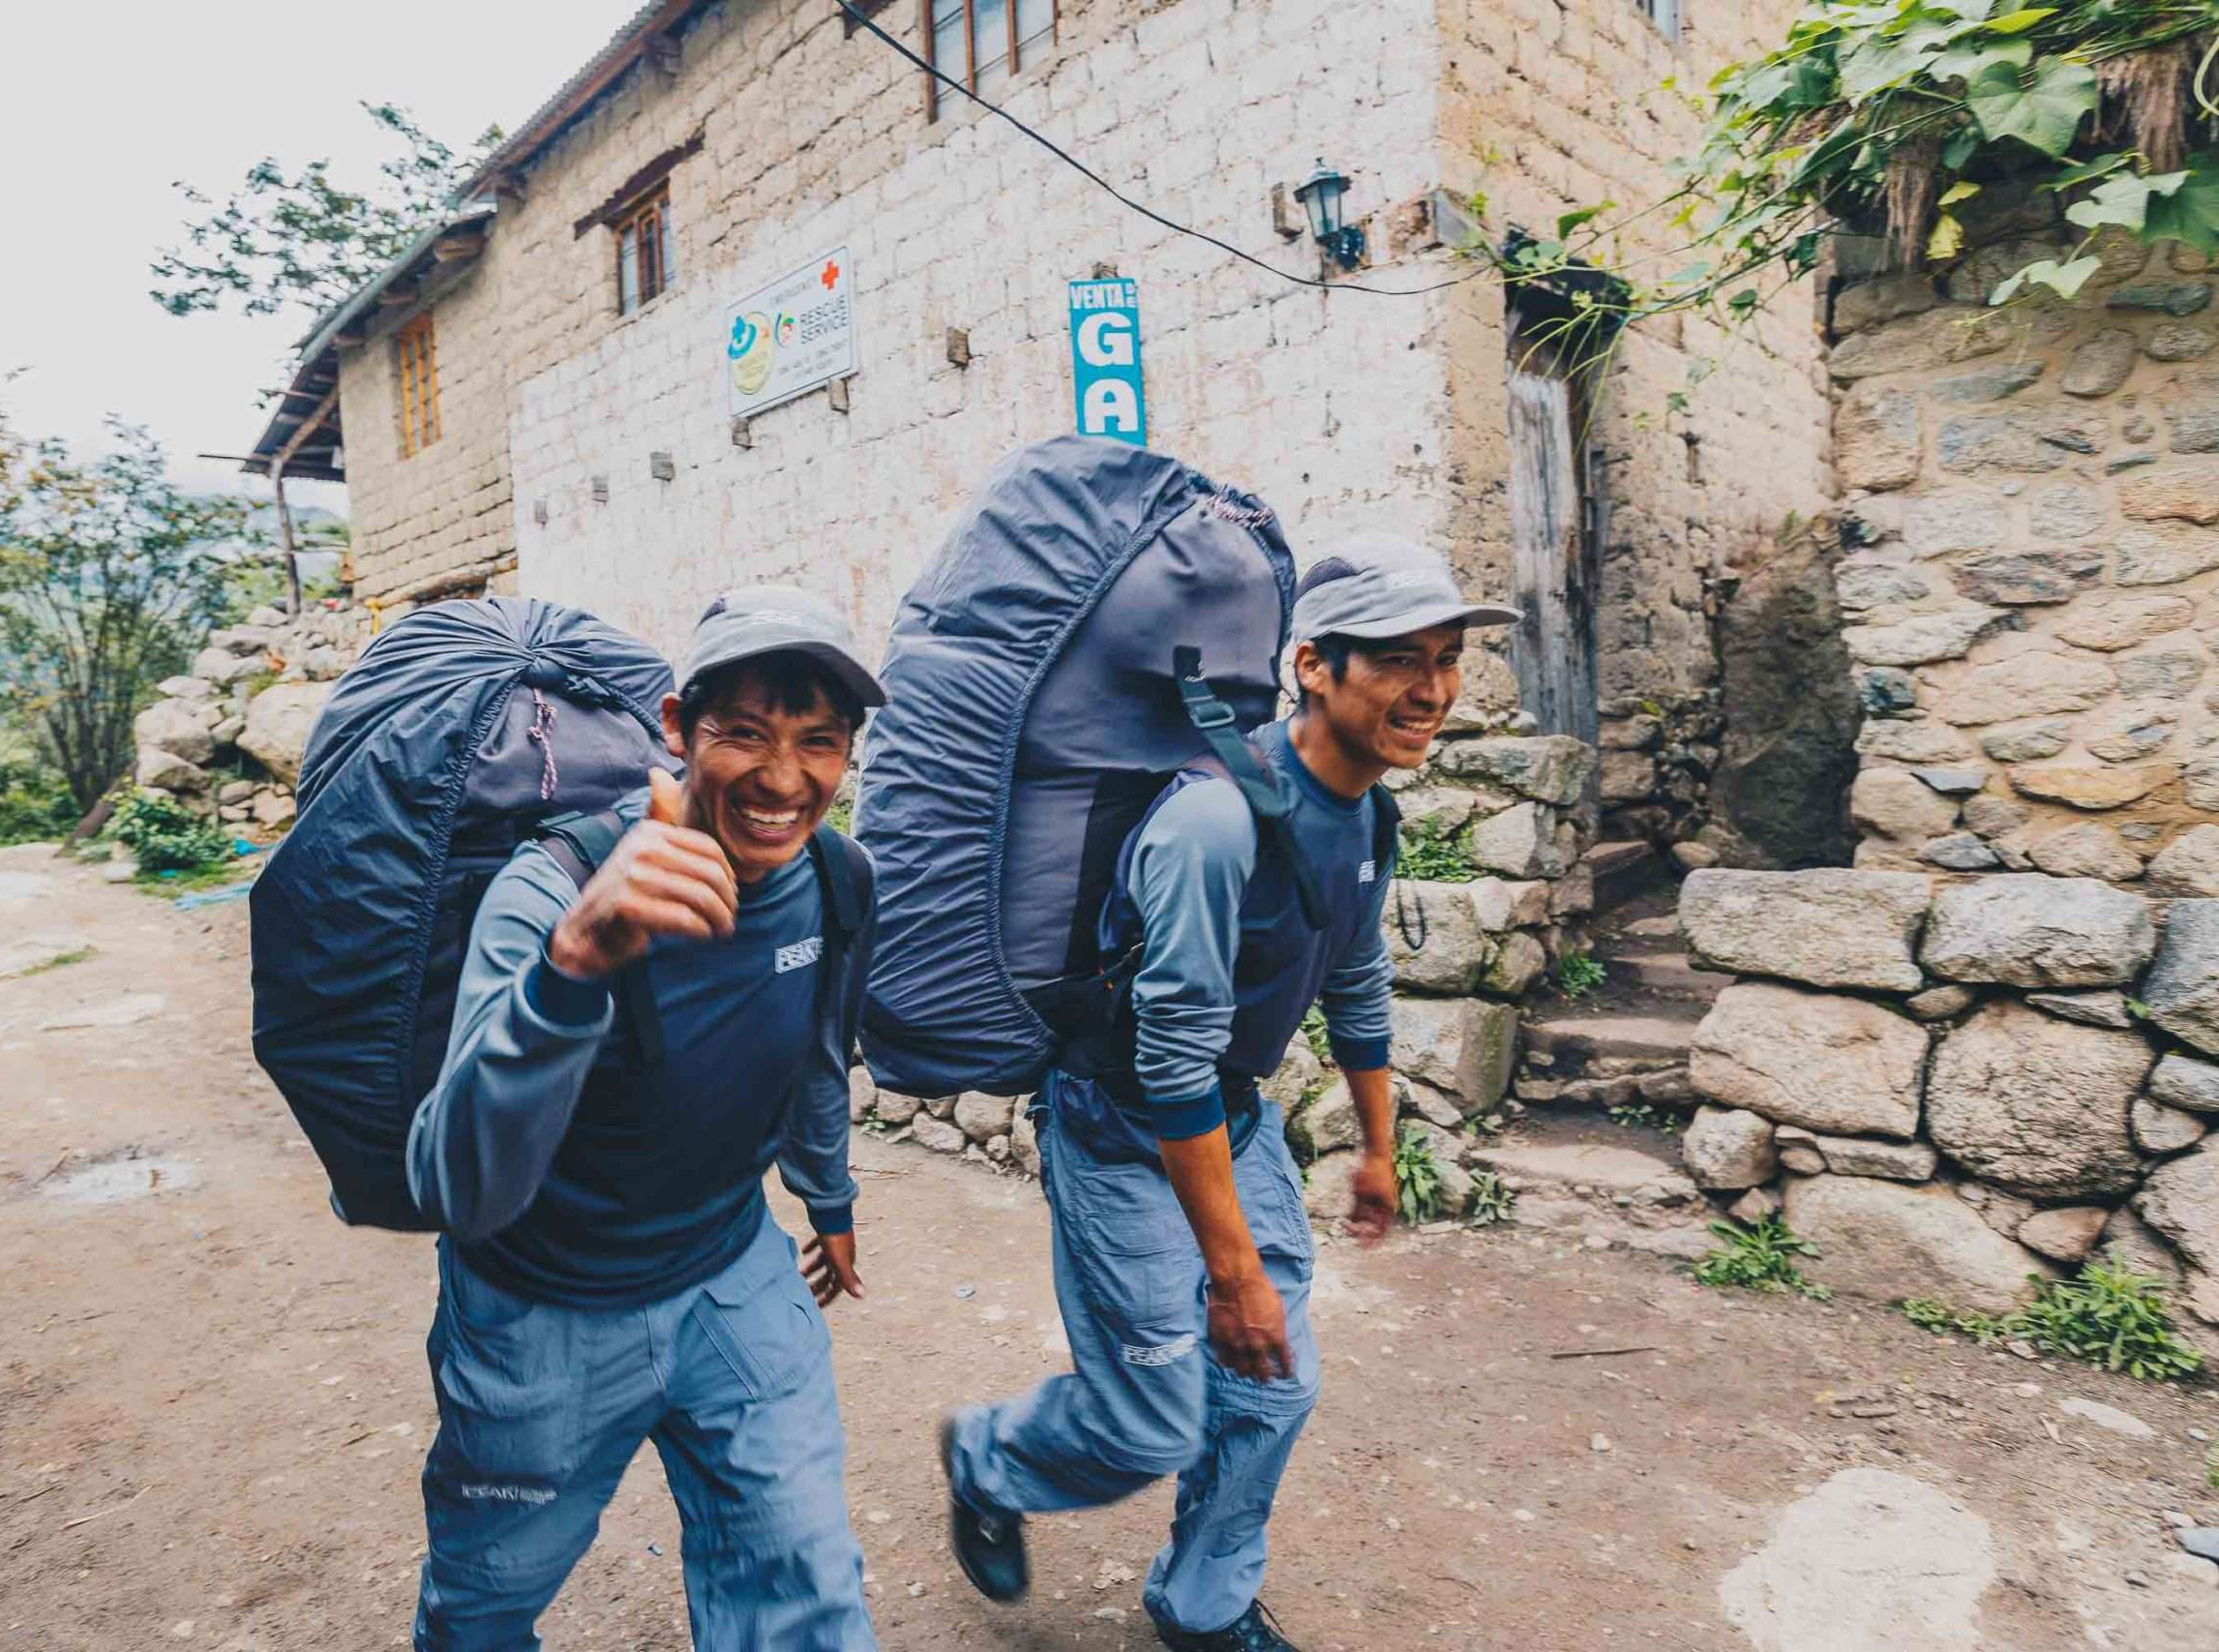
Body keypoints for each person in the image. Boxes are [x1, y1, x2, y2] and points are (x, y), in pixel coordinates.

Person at [939, 540, 1521, 1651]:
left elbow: (1352, 976)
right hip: (1119, 1128)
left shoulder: (1366, 815)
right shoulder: (1211, 823)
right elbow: (1166, 1065)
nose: (1434, 689)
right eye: (1399, 659)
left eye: (1446, 659)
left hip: (1230, 1117)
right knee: (1149, 1417)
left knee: (1271, 1387)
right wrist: (1233, 1271)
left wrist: (1378, 1145)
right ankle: (987, 1457)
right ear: (1312, 666)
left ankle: (1200, 1604)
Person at [405, 586, 885, 1651]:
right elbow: (451, 1186)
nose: (783, 777)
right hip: (541, 1313)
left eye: (820, 742)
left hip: (731, 1272)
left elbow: (811, 1052)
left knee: (805, 1584)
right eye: (743, 733)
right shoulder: (554, 887)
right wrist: (573, 967)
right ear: (675, 729)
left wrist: (827, 1194)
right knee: (483, 1606)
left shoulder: (839, 880)